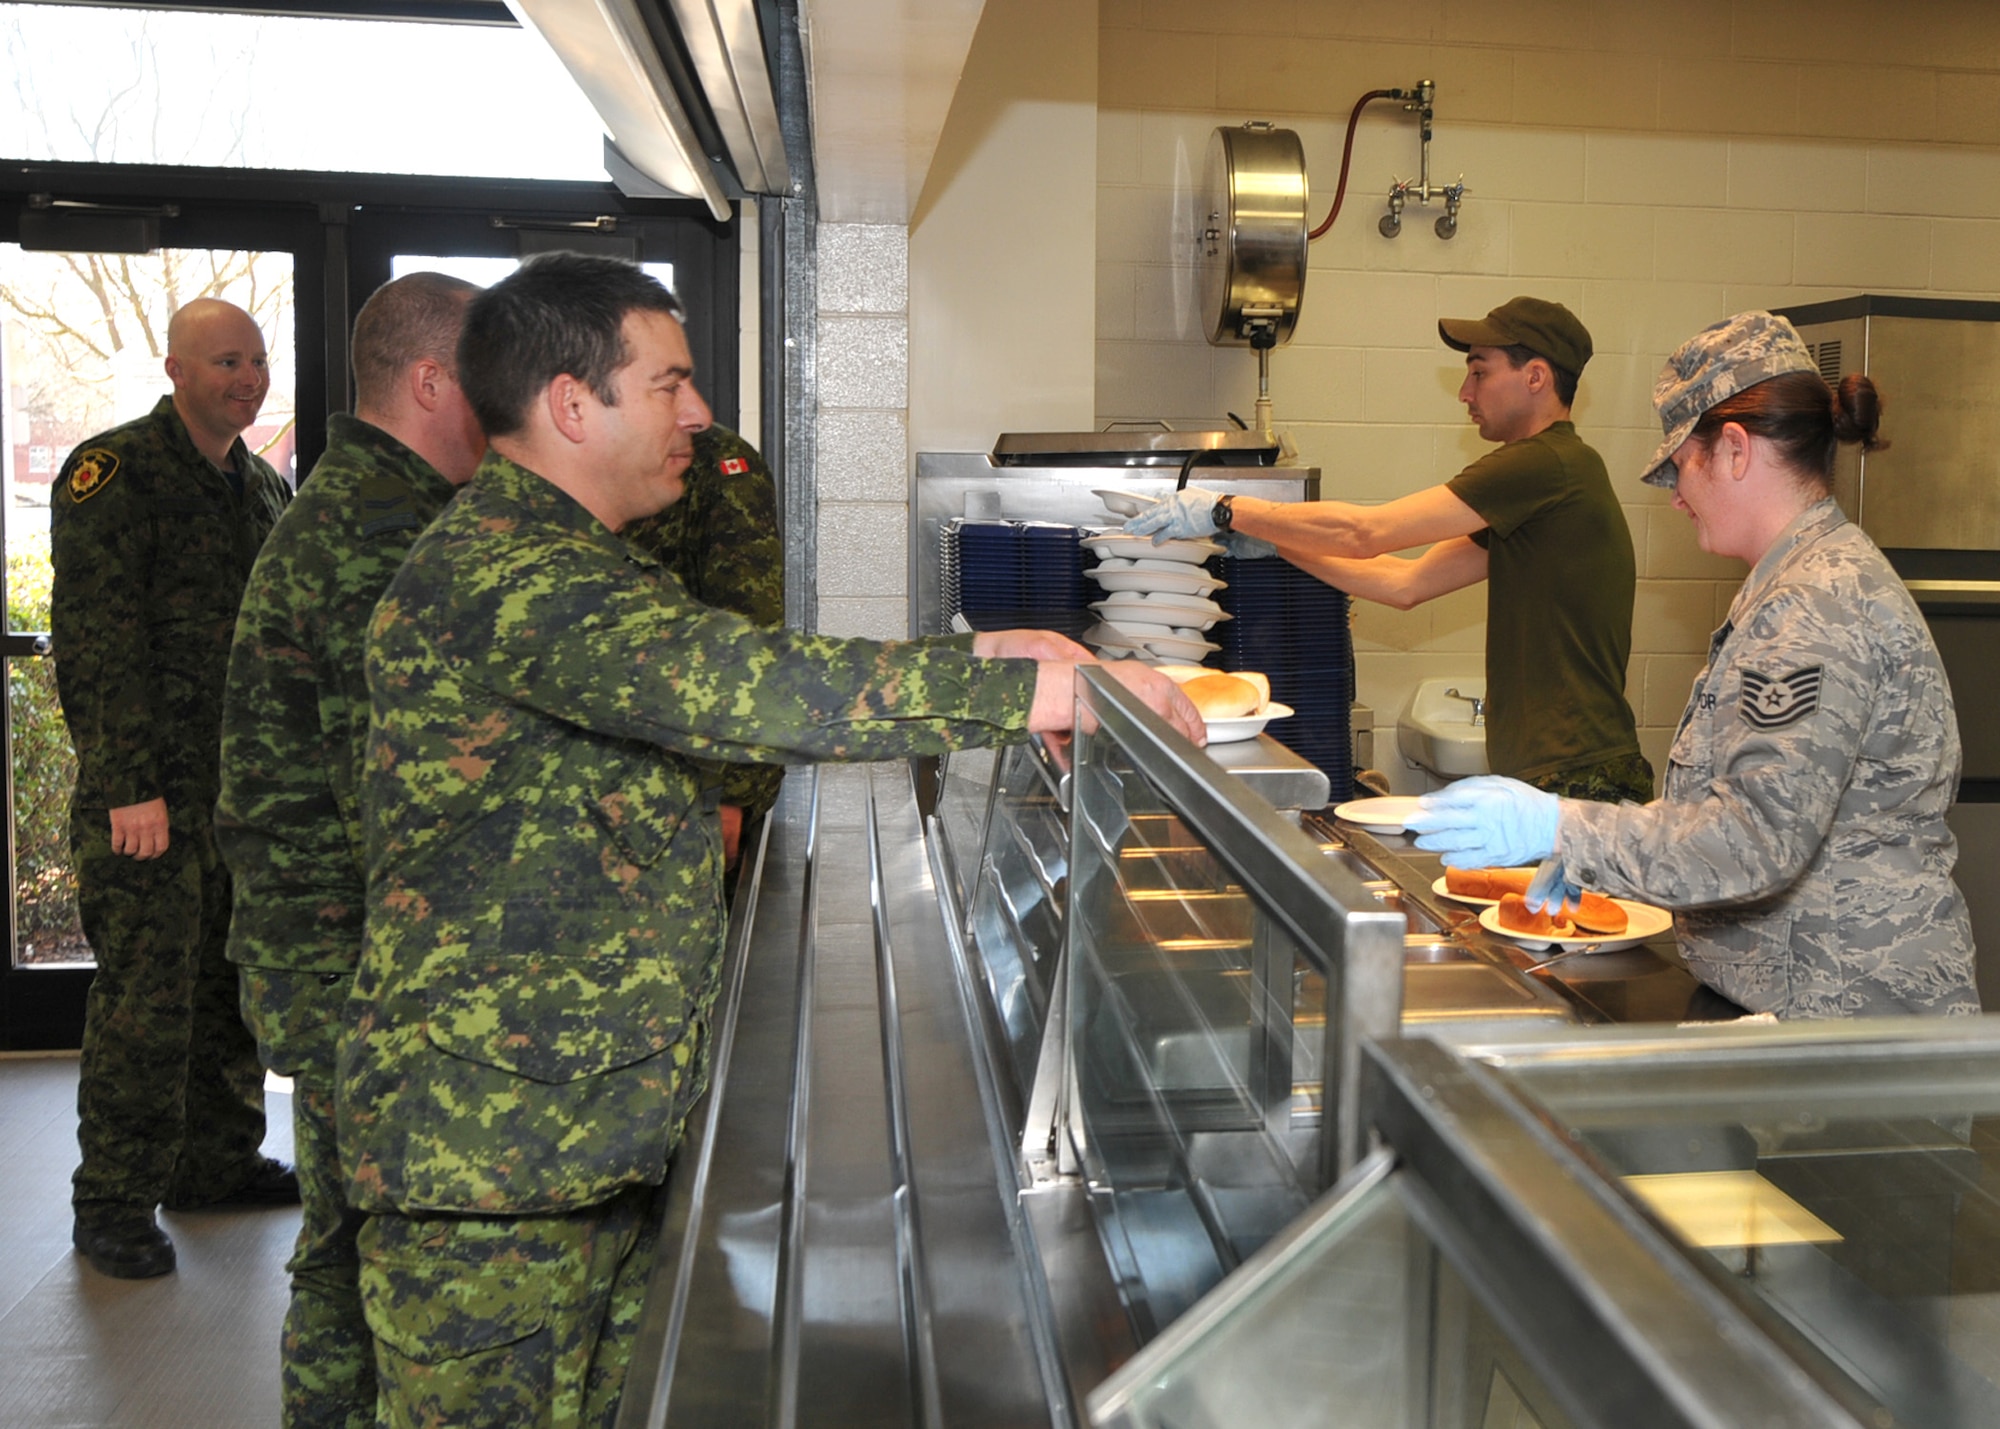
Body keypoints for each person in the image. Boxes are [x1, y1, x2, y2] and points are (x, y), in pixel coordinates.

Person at [337, 251, 1202, 1427]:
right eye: (670, 384)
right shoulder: (508, 572)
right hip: (490, 1163)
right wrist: (1014, 690)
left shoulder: (574, 558)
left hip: (571, 1128)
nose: (698, 414)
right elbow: (732, 683)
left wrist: (994, 655)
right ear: (570, 403)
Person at [1406, 312, 1978, 1022]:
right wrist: (1600, 859)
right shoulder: (1796, 580)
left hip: (1850, 1029)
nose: (1675, 495)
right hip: (1803, 1010)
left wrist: (1561, 828)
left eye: (1682, 466)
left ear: (1734, 449)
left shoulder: (1815, 601)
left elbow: (1756, 838)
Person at [216, 272, 485, 1427]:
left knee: (342, 1248)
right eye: (492, 380)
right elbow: (396, 796)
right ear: (432, 382)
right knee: (382, 1260)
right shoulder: (381, 537)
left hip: (324, 949)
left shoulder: (364, 508)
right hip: (355, 958)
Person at [1125, 296, 1651, 804]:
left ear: (1535, 376)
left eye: (1480, 372)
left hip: (1579, 776)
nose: (1465, 393)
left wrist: (1226, 509)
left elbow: (1365, 533)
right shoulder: (1549, 484)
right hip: (1557, 770)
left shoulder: (1545, 464)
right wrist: (1276, 544)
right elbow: (1405, 585)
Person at [52, 297, 297, 1281]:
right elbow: (96, 635)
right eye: (225, 362)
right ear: (176, 369)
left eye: (256, 361)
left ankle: (213, 1161)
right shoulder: (114, 473)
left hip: (235, 795)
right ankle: (111, 1199)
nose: (247, 378)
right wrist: (127, 785)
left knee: (222, 985)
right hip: (147, 801)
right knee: (144, 999)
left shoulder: (261, 488)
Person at [622, 423, 783, 875]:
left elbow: (749, 641)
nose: (693, 408)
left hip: (695, 793)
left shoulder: (718, 466)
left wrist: (732, 794)